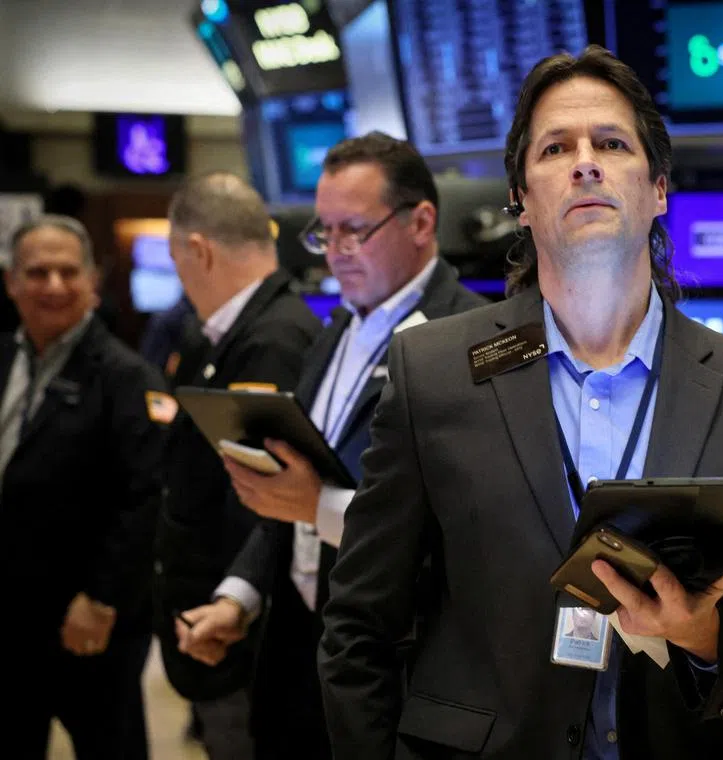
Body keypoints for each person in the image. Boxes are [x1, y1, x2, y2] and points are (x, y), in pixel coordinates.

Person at [318, 46, 723, 760]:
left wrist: (706, 634)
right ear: (521, 198)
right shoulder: (433, 374)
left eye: (611, 143)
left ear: (658, 188)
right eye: (555, 148)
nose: (585, 163)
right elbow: (359, 624)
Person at [172, 133, 488, 759]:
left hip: (396, 660)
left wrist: (317, 506)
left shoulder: (470, 341)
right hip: (296, 642)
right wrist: (242, 594)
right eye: (325, 232)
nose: (335, 252)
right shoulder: (338, 324)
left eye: (355, 231)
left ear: (421, 222)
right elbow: (295, 486)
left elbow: (465, 531)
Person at [153, 173, 323, 760]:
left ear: (197, 251)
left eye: (178, 264)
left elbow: (266, 505)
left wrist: (232, 604)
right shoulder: (227, 335)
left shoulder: (273, 339)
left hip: (241, 632)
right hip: (221, 619)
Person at [0, 215, 170, 759]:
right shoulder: (5, 358)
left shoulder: (126, 377)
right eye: (37, 272)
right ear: (11, 282)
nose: (53, 286)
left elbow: (146, 496)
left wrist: (102, 598)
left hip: (90, 621)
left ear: (93, 282)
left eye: (68, 272)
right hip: (12, 615)